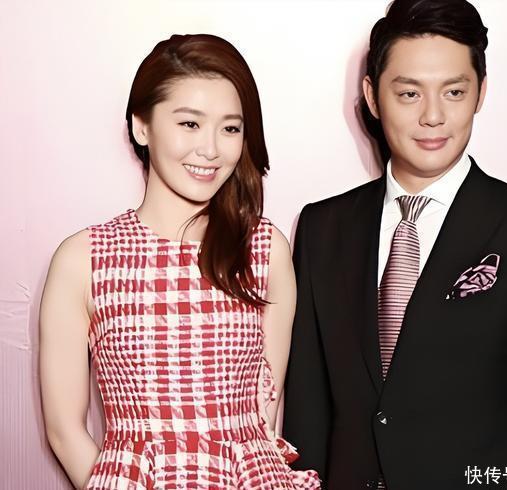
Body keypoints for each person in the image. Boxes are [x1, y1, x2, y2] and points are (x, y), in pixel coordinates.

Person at [283, 1, 507, 488]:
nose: (433, 116)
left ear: (480, 93)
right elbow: (308, 410)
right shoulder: (323, 228)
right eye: (409, 93)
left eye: (454, 92)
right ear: (372, 96)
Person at [39, 34, 320, 489]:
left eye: (230, 128)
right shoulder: (83, 258)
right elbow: (64, 430)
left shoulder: (265, 249)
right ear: (141, 126)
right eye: (190, 123)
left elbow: (263, 414)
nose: (210, 149)